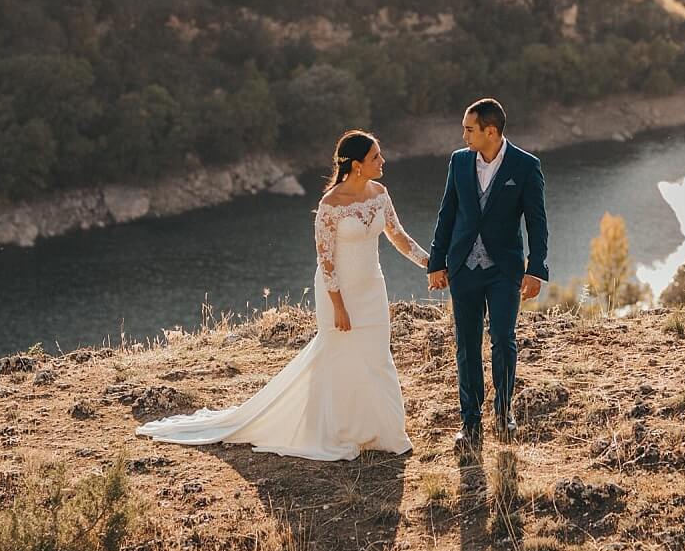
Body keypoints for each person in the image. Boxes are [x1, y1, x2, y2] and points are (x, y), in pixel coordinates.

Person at [136, 131, 427, 460]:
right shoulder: (330, 205)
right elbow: (326, 262)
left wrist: (429, 264)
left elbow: (398, 236)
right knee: (338, 358)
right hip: (338, 293)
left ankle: (386, 433)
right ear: (357, 165)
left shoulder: (380, 193)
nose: (383, 161)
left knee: (377, 359)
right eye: (376, 157)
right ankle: (340, 431)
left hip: (373, 288)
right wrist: (338, 308)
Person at [427, 98, 549, 452]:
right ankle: (471, 422)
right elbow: (447, 213)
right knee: (466, 345)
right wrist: (437, 262)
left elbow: (537, 222)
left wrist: (536, 268)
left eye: (469, 129)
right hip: (463, 267)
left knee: (503, 340)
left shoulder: (526, 166)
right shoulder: (459, 161)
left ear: (490, 132)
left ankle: (504, 412)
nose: (463, 135)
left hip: (505, 270)